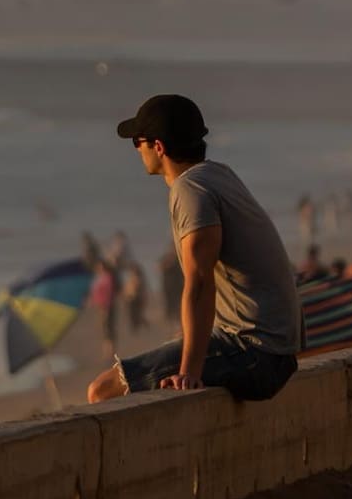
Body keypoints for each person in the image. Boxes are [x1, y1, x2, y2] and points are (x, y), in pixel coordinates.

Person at [87, 94, 300, 403]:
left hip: (255, 353)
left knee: (101, 391)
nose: (137, 149)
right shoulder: (218, 174)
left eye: (138, 141)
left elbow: (199, 282)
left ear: (158, 147)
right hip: (273, 350)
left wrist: (189, 370)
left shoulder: (190, 190)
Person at [91, 259, 119, 359]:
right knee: (105, 329)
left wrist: (105, 308)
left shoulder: (107, 278)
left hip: (107, 307)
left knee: (108, 329)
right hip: (102, 307)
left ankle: (110, 352)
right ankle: (107, 351)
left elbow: (108, 293)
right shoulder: (101, 277)